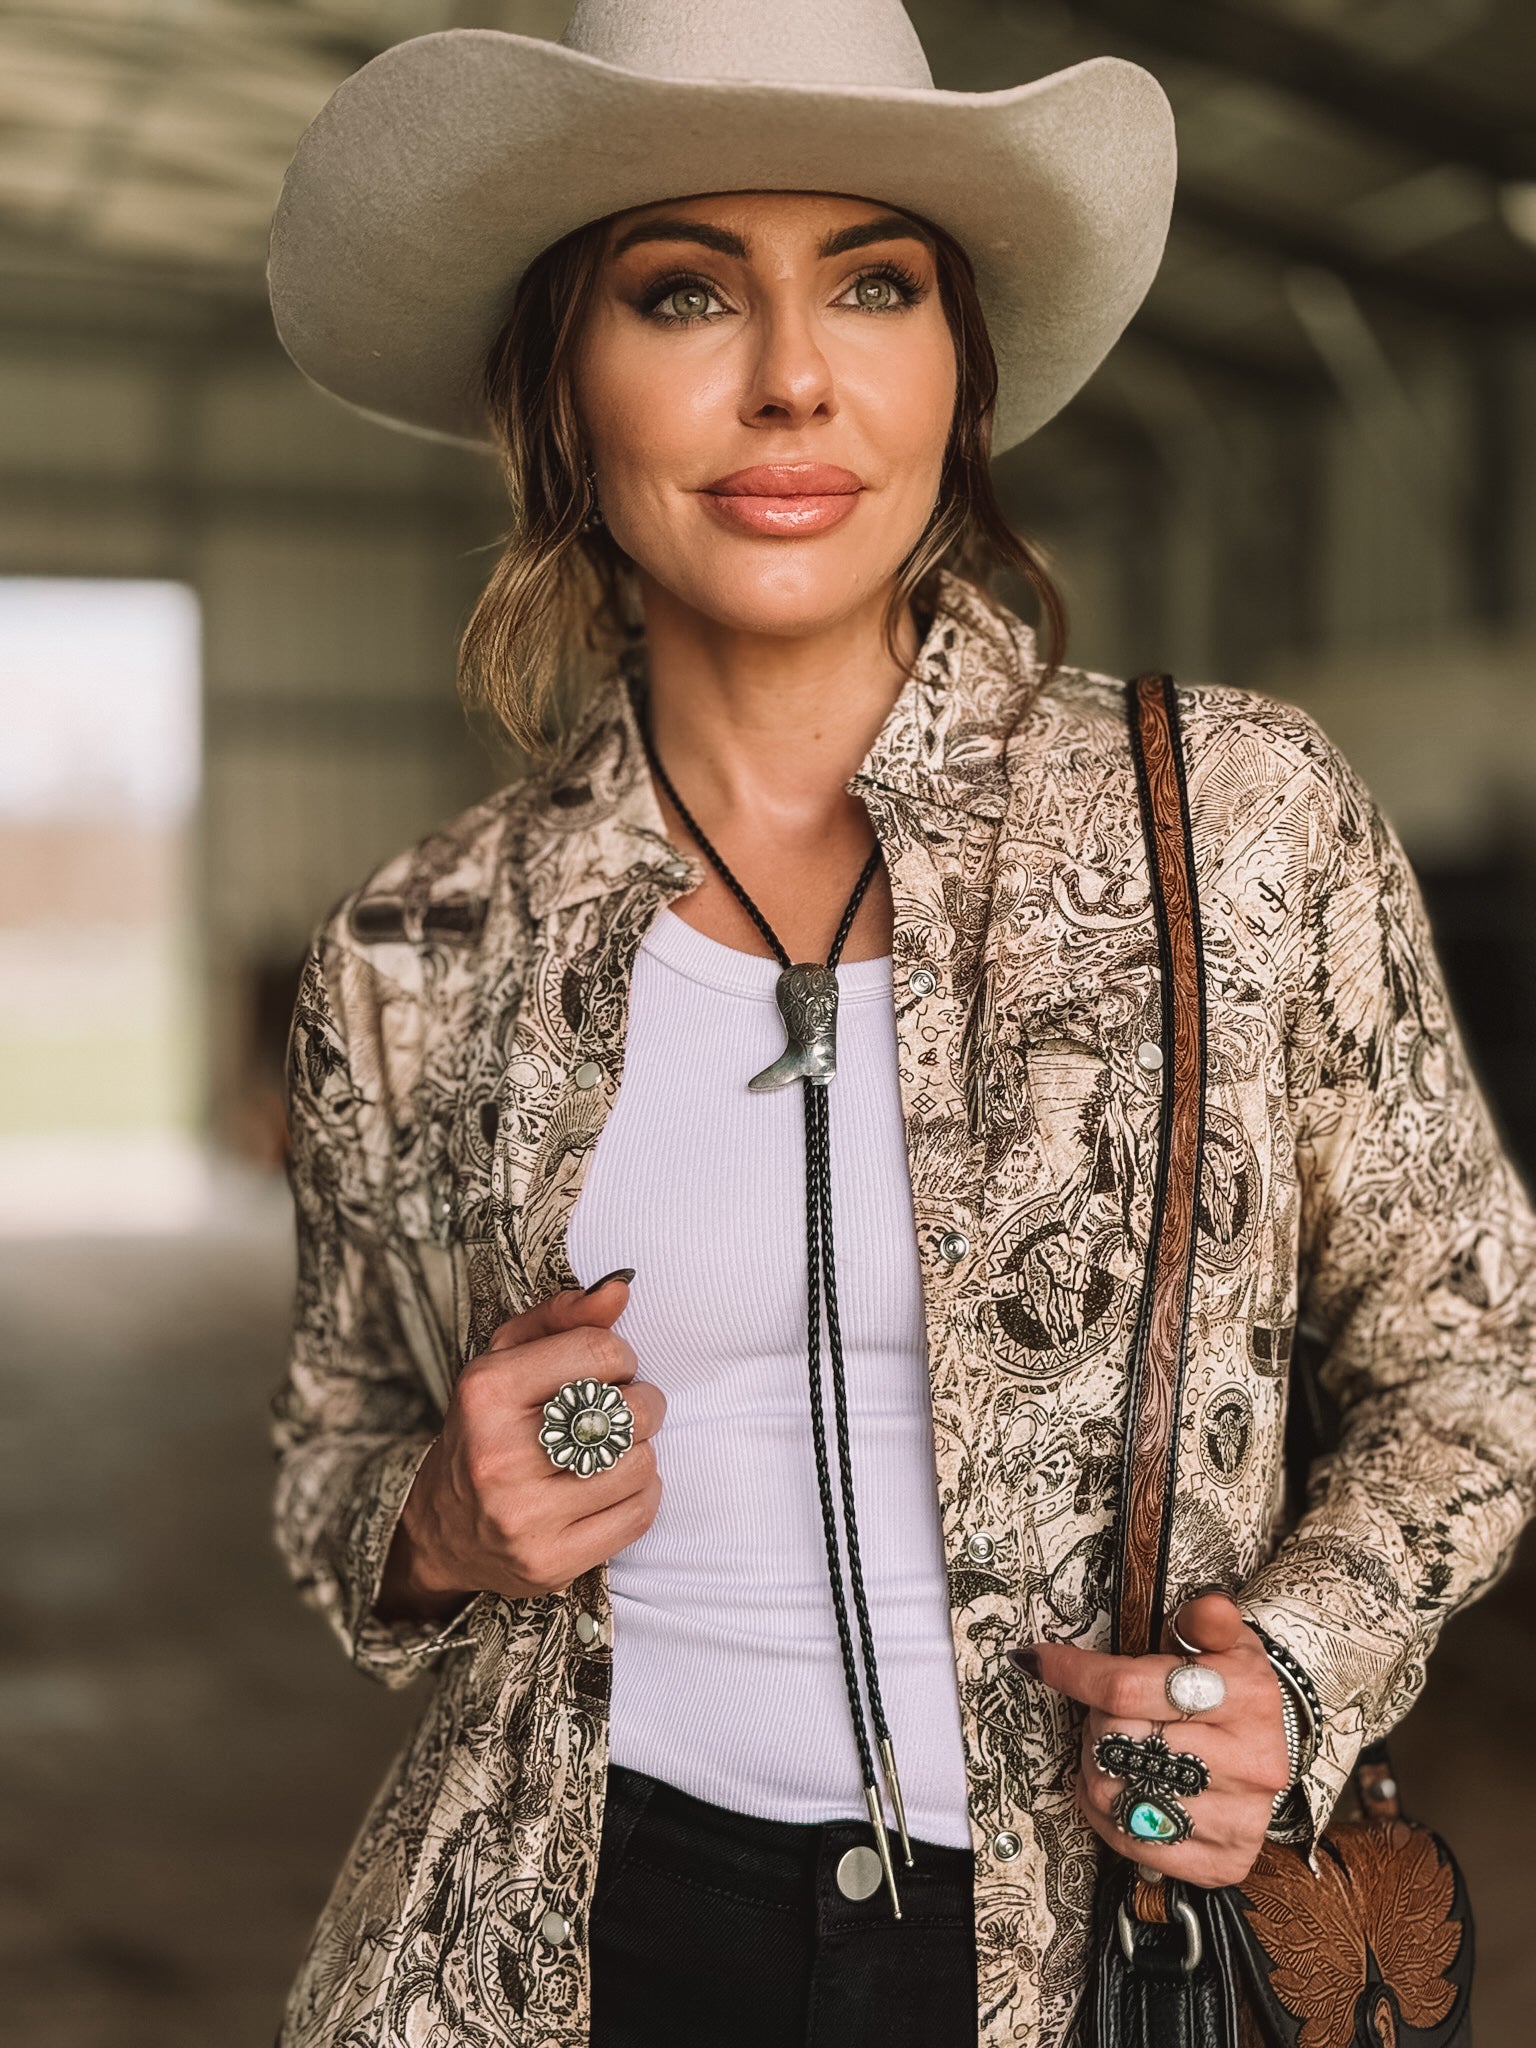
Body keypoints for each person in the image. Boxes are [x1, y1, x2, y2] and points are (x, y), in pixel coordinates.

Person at [263, 4, 1536, 2046]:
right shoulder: (417, 952)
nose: (793, 374)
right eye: (684, 292)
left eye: (873, 283)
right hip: (570, 1948)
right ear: (561, 390)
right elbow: (333, 1446)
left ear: (961, 373)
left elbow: (1479, 1350)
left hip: (1082, 1947)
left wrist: (1291, 1674)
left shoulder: (1235, 825)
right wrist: (431, 1523)